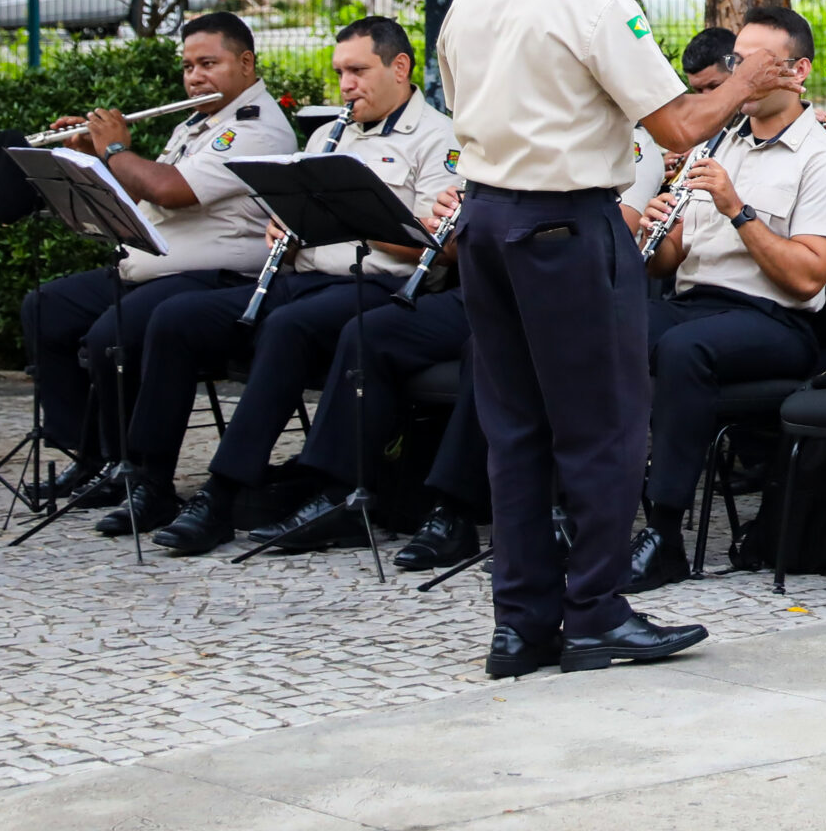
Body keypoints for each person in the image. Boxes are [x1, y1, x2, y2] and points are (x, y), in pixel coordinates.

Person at [436, 0, 783, 679]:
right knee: (605, 427)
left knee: (513, 428)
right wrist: (747, 81)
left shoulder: (469, 0)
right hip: (564, 225)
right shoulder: (594, 2)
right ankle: (594, 610)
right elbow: (674, 128)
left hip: (485, 219)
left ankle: (518, 627)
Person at [131, 17, 458, 552]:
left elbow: (443, 245)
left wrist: (354, 216)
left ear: (399, 67)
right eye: (340, 73)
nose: (346, 86)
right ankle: (149, 478)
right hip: (301, 276)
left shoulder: (438, 137)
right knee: (177, 318)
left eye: (358, 71)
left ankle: (222, 492)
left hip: (376, 287)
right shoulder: (327, 135)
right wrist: (286, 220)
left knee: (289, 326)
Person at [273, 128, 666, 562]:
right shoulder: (521, 132)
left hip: (563, 291)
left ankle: (453, 512)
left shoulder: (632, 145)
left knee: (485, 351)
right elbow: (461, 244)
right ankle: (338, 490)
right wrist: (462, 216)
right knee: (370, 332)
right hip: (493, 282)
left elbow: (618, 229)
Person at [19, 13, 297, 511]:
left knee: (111, 336)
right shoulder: (201, 122)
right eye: (188, 65)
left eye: (208, 63)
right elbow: (144, 185)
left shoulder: (258, 130)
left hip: (216, 281)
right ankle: (92, 456)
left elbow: (172, 190)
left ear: (246, 62)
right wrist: (94, 157)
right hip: (155, 268)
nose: (194, 76)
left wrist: (117, 148)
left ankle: (143, 476)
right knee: (46, 307)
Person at [626, 6, 826, 591]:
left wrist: (738, 209)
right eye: (737, 62)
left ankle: (664, 534)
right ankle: (576, 512)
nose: (742, 74)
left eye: (758, 63)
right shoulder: (718, 144)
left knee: (682, 349)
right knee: (606, 327)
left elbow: (807, 279)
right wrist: (652, 233)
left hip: (774, 322)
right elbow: (670, 261)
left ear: (798, 70)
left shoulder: (825, 160)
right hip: (695, 306)